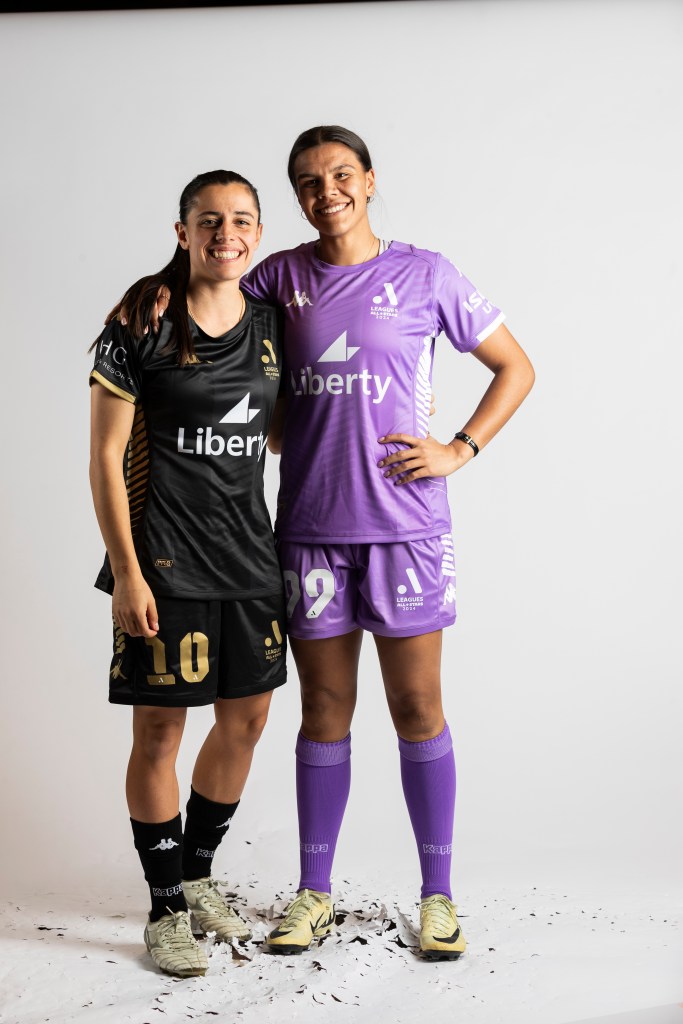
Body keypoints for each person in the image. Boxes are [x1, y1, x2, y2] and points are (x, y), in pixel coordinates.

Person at [109, 126, 535, 961]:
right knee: (323, 711)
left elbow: (514, 367)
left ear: (369, 181)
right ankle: (314, 894)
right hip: (307, 530)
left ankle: (438, 896)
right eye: (308, 180)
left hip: (406, 529)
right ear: (296, 198)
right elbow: (209, 279)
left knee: (417, 709)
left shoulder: (426, 273)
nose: (326, 190)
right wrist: (147, 295)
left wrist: (459, 448)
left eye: (341, 174)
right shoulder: (280, 276)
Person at [89, 169, 287, 978]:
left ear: (258, 233)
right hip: (163, 567)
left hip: (251, 563)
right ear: (183, 231)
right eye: (209, 220)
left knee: (245, 724)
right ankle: (165, 908)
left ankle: (197, 875)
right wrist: (127, 573)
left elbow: (280, 434)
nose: (225, 234)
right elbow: (105, 457)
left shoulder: (272, 325)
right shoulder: (142, 319)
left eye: (241, 220)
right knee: (160, 734)